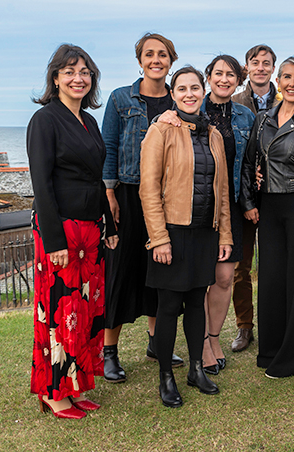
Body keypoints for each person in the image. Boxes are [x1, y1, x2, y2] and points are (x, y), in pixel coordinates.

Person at [27, 44, 118, 419]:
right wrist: (54, 241)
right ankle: (53, 391)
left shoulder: (89, 121)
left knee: (83, 312)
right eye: (70, 71)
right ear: (55, 78)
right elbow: (41, 184)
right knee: (57, 312)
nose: (78, 78)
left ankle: (75, 386)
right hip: (61, 231)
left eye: (85, 72)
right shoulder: (45, 121)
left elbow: (96, 180)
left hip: (90, 231)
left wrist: (109, 224)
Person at [139, 66, 232, 408]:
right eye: (182, 89)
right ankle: (166, 376)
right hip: (172, 234)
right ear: (173, 94)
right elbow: (148, 189)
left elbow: (222, 191)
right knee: (168, 306)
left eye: (195, 87)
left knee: (196, 303)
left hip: (204, 234)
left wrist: (225, 235)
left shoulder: (214, 135)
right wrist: (158, 238)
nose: (190, 93)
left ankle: (196, 369)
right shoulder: (160, 129)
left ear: (203, 90)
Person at [157, 55, 256, 375]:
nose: (224, 79)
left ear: (237, 80)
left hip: (232, 206)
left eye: (230, 74)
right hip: (196, 208)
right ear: (208, 79)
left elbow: (254, 156)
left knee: (226, 276)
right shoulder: (186, 113)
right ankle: (200, 343)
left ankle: (214, 337)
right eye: (218, 74)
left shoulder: (246, 116)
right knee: (200, 280)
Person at [101, 33, 184, 383]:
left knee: (160, 273)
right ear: (139, 61)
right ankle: (109, 352)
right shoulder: (121, 98)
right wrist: (108, 193)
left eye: (162, 54)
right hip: (128, 195)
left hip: (166, 199)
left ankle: (157, 342)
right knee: (120, 272)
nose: (156, 60)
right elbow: (108, 146)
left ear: (171, 60)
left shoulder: (178, 101)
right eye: (149, 54)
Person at [240, 56, 294, 378]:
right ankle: (272, 349)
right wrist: (250, 200)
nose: (292, 83)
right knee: (273, 280)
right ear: (278, 80)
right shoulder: (263, 119)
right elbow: (249, 163)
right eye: (286, 77)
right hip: (270, 207)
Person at [229, 44, 278, 352]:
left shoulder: (288, 99)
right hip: (242, 196)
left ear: (274, 68)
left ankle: (274, 322)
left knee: (274, 263)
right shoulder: (234, 102)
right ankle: (244, 326)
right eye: (255, 62)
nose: (261, 67)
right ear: (247, 67)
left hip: (276, 195)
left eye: (267, 63)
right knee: (240, 267)